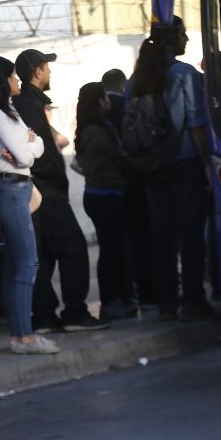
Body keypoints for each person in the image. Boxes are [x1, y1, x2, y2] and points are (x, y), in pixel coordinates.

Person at [13, 49, 106, 333]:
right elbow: (34, 150)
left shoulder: (28, 102)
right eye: (46, 67)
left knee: (43, 255)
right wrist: (51, 167)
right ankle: (75, 313)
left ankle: (43, 316)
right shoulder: (28, 104)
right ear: (37, 72)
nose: (50, 73)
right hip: (47, 191)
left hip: (39, 190)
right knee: (73, 248)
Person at [129, 17, 215, 322]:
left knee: (161, 238)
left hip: (152, 168)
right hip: (185, 164)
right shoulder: (185, 75)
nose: (187, 39)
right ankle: (194, 301)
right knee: (191, 236)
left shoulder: (135, 80)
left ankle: (167, 304)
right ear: (171, 41)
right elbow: (196, 126)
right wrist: (207, 165)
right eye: (182, 34)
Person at [0, 56, 58, 355]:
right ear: (3, 82)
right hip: (11, 188)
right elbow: (27, 156)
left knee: (17, 264)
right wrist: (28, 146)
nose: (17, 81)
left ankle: (19, 335)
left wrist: (29, 144)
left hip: (20, 188)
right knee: (27, 263)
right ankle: (24, 336)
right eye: (13, 77)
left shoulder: (8, 110)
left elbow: (36, 144)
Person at [74, 82, 136, 320]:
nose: (110, 101)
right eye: (105, 98)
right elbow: (120, 160)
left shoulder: (85, 130)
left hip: (96, 195)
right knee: (113, 251)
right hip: (107, 196)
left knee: (110, 249)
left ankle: (114, 299)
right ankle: (111, 301)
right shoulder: (100, 131)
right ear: (100, 102)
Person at [103, 67, 156, 308]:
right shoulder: (127, 107)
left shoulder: (100, 116)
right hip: (134, 180)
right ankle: (145, 290)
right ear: (123, 87)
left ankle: (129, 290)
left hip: (112, 187)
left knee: (120, 242)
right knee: (142, 238)